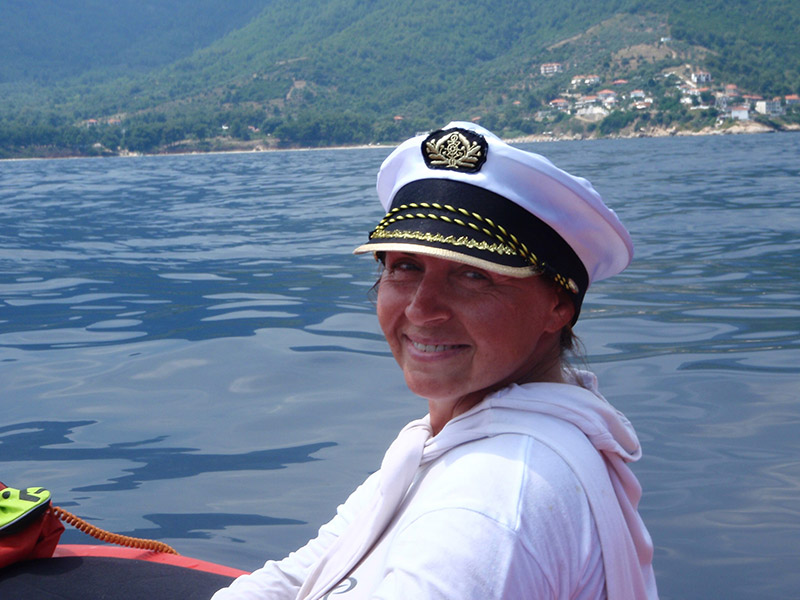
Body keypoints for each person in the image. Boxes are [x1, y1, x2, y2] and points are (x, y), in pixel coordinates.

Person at [211, 122, 658, 599]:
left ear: (558, 307)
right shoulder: (451, 441)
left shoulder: (492, 495)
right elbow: (303, 572)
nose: (421, 309)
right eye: (406, 267)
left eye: (473, 275)